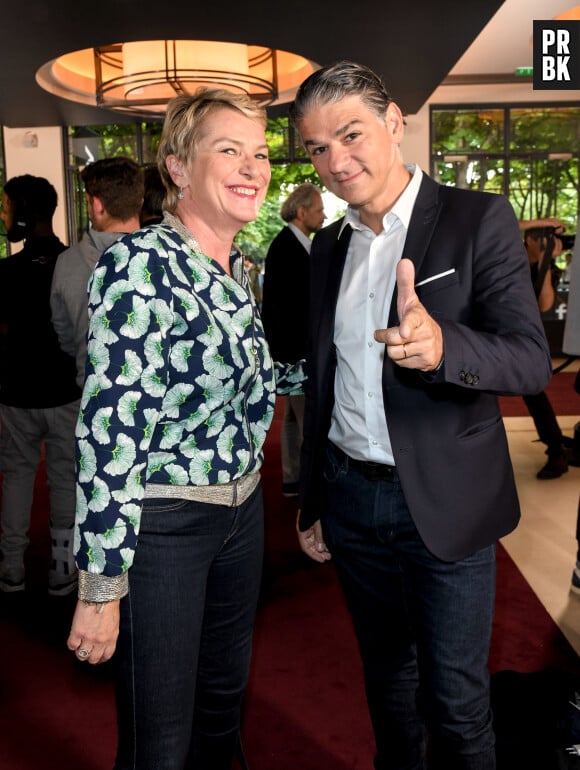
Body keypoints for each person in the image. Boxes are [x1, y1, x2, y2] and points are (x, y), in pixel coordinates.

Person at [289, 61, 552, 770]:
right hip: (350, 500)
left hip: (444, 499)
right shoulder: (332, 247)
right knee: (388, 683)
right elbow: (326, 381)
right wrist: (314, 498)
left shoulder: (477, 218)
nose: (336, 161)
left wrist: (444, 348)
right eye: (317, 148)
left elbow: (530, 362)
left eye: (350, 134)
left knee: (457, 704)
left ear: (394, 122)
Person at [66, 88, 304, 770]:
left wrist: (352, 352)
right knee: (159, 740)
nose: (251, 167)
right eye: (228, 150)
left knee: (222, 709)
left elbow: (250, 385)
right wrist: (101, 585)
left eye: (258, 153)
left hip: (240, 516)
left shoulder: (236, 267)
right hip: (166, 525)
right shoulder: (139, 265)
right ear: (176, 168)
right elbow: (111, 432)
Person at [0, 174, 81, 595]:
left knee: (15, 476)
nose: (3, 213)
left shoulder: (6, 271)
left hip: (16, 395)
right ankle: (61, 566)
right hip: (66, 393)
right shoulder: (73, 264)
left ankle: (11, 566)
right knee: (64, 477)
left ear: (25, 213)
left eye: (7, 205)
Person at [50, 156, 144, 388]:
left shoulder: (66, 263)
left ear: (97, 205)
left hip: (93, 395)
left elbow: (65, 337)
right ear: (140, 202)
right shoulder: (168, 257)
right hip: (155, 400)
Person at [261, 182, 325, 496]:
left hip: (291, 348)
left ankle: (292, 477)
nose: (324, 215)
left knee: (291, 418)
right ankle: (305, 484)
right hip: (297, 351)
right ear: (302, 212)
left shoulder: (292, 243)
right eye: (319, 209)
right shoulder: (288, 247)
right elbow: (290, 307)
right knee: (306, 420)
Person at [521, 224, 570, 478]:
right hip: (487, 328)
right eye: (543, 239)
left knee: (534, 392)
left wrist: (544, 264)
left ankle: (556, 450)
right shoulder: (507, 251)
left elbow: (544, 305)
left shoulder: (547, 269)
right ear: (529, 239)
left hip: (519, 337)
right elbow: (500, 223)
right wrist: (538, 222)